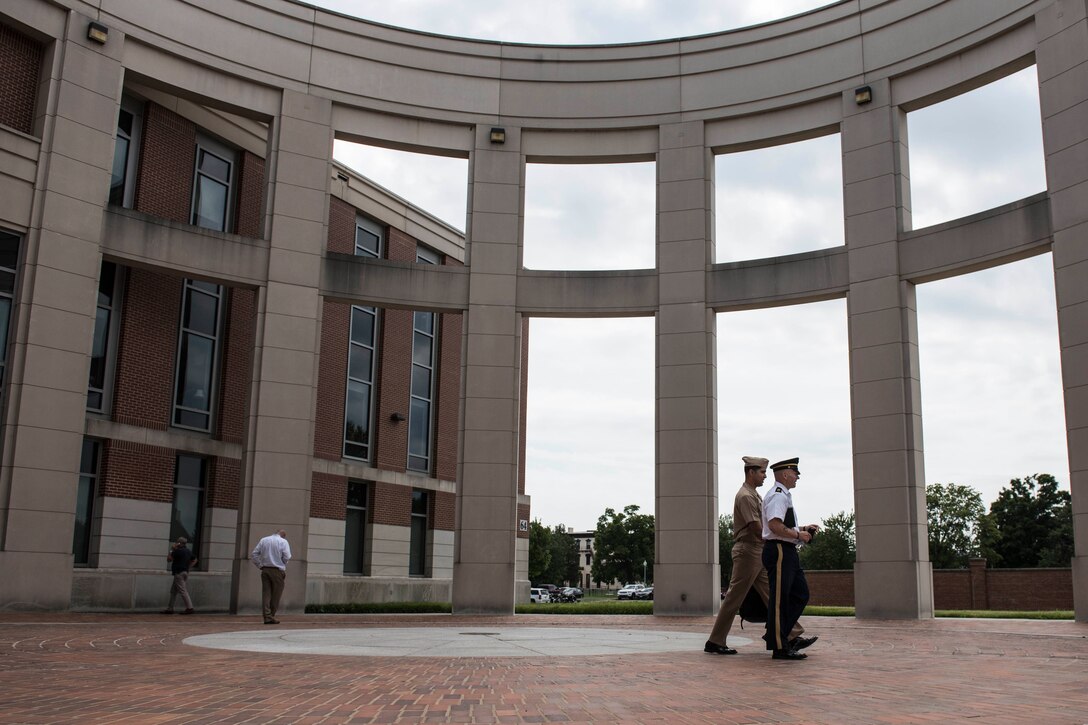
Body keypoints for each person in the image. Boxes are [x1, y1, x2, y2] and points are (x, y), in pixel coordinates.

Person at [704, 456, 810, 655]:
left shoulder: (754, 494)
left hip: (757, 550)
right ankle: (715, 641)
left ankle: (790, 634)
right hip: (748, 551)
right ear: (750, 472)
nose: (764, 476)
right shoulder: (745, 496)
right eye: (762, 472)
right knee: (734, 598)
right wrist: (780, 536)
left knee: (773, 594)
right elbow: (756, 528)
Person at [762, 457, 819, 660]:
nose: (797, 477)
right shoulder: (778, 496)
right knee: (780, 600)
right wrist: (798, 535)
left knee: (800, 594)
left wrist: (802, 529)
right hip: (779, 550)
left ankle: (778, 633)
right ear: (785, 474)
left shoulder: (783, 495)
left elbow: (780, 525)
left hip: (787, 551)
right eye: (795, 474)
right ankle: (779, 646)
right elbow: (775, 526)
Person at [251, 529, 291, 624]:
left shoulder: (264, 540)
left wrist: (260, 565)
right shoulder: (283, 541)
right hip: (277, 570)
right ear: (283, 535)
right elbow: (287, 556)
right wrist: (282, 564)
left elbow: (254, 554)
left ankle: (267, 616)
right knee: (276, 594)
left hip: (265, 569)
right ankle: (271, 615)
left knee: (266, 593)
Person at [161, 537, 197, 615]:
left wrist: (171, 549)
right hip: (185, 572)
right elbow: (195, 560)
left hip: (178, 573)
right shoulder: (188, 551)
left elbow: (169, 559)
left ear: (179, 543)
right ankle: (170, 608)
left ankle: (190, 608)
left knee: (183, 590)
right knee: (173, 591)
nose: (176, 543)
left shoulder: (177, 551)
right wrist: (188, 567)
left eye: (177, 542)